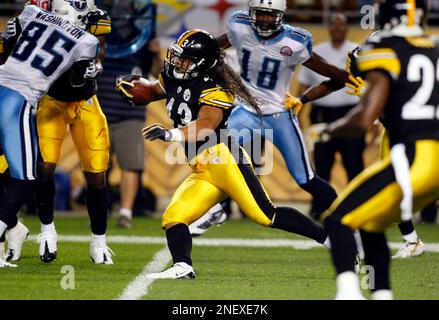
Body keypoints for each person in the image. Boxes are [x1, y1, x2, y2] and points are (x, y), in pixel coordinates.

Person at [116, 29, 331, 279]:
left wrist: (171, 135)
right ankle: (182, 265)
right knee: (174, 217)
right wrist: (136, 91)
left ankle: (330, 239)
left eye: (185, 59)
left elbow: (207, 124)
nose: (178, 63)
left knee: (265, 215)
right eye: (177, 56)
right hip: (201, 167)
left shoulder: (216, 88)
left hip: (224, 158)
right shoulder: (174, 74)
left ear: (202, 63)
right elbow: (154, 91)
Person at [189, 0, 363, 235]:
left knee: (306, 178)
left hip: (279, 114)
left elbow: (330, 72)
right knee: (214, 157)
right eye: (260, 14)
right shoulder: (239, 26)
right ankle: (218, 209)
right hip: (246, 111)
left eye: (270, 15)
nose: (264, 20)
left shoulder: (295, 41)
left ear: (281, 16)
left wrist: (310, 96)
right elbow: (211, 50)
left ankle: (348, 223)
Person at [320, 0, 439, 299]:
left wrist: (328, 130)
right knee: (371, 223)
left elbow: (364, 118)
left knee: (338, 219)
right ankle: (382, 293)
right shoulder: (433, 48)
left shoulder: (385, 46)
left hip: (414, 157)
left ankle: (347, 293)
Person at [0, 1, 100, 267]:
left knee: (10, 174)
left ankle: (13, 232)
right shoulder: (87, 41)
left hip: (4, 85)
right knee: (25, 178)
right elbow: (77, 83)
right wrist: (89, 72)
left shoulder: (32, 13)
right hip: (18, 100)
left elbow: (8, 47)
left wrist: (10, 35)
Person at [346, 33, 426, 260]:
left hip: (417, 132)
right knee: (394, 185)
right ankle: (411, 240)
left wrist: (367, 95)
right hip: (398, 132)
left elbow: (394, 110)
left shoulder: (404, 73)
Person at [97, 0, 159, 229]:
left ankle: (125, 212)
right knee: (98, 167)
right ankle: (100, 210)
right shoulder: (99, 39)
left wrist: (154, 53)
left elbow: (157, 74)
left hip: (129, 115)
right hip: (99, 113)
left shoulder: (142, 41)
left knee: (131, 165)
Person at [298, 13, 365, 205]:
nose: (337, 28)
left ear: (347, 28)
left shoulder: (356, 50)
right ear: (329, 28)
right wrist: (299, 110)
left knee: (354, 163)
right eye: (334, 24)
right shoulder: (318, 50)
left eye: (341, 24)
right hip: (321, 113)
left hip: (351, 112)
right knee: (322, 164)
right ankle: (320, 206)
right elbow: (303, 86)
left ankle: (357, 205)